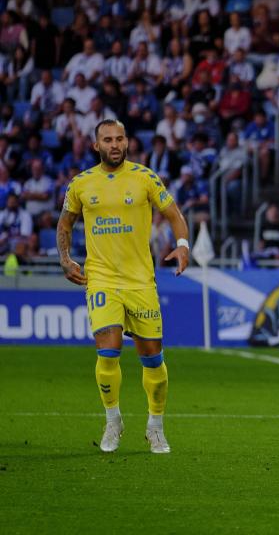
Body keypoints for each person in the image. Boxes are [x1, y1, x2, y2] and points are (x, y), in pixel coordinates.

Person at [57, 119, 191, 454]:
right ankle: (113, 420)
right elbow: (65, 222)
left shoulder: (145, 177)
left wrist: (184, 244)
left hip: (140, 280)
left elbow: (173, 213)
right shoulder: (81, 183)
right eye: (107, 140)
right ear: (96, 145)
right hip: (101, 277)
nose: (114, 145)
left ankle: (155, 427)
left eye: (119, 139)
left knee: (152, 359)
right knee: (108, 350)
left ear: (127, 142)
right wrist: (65, 257)